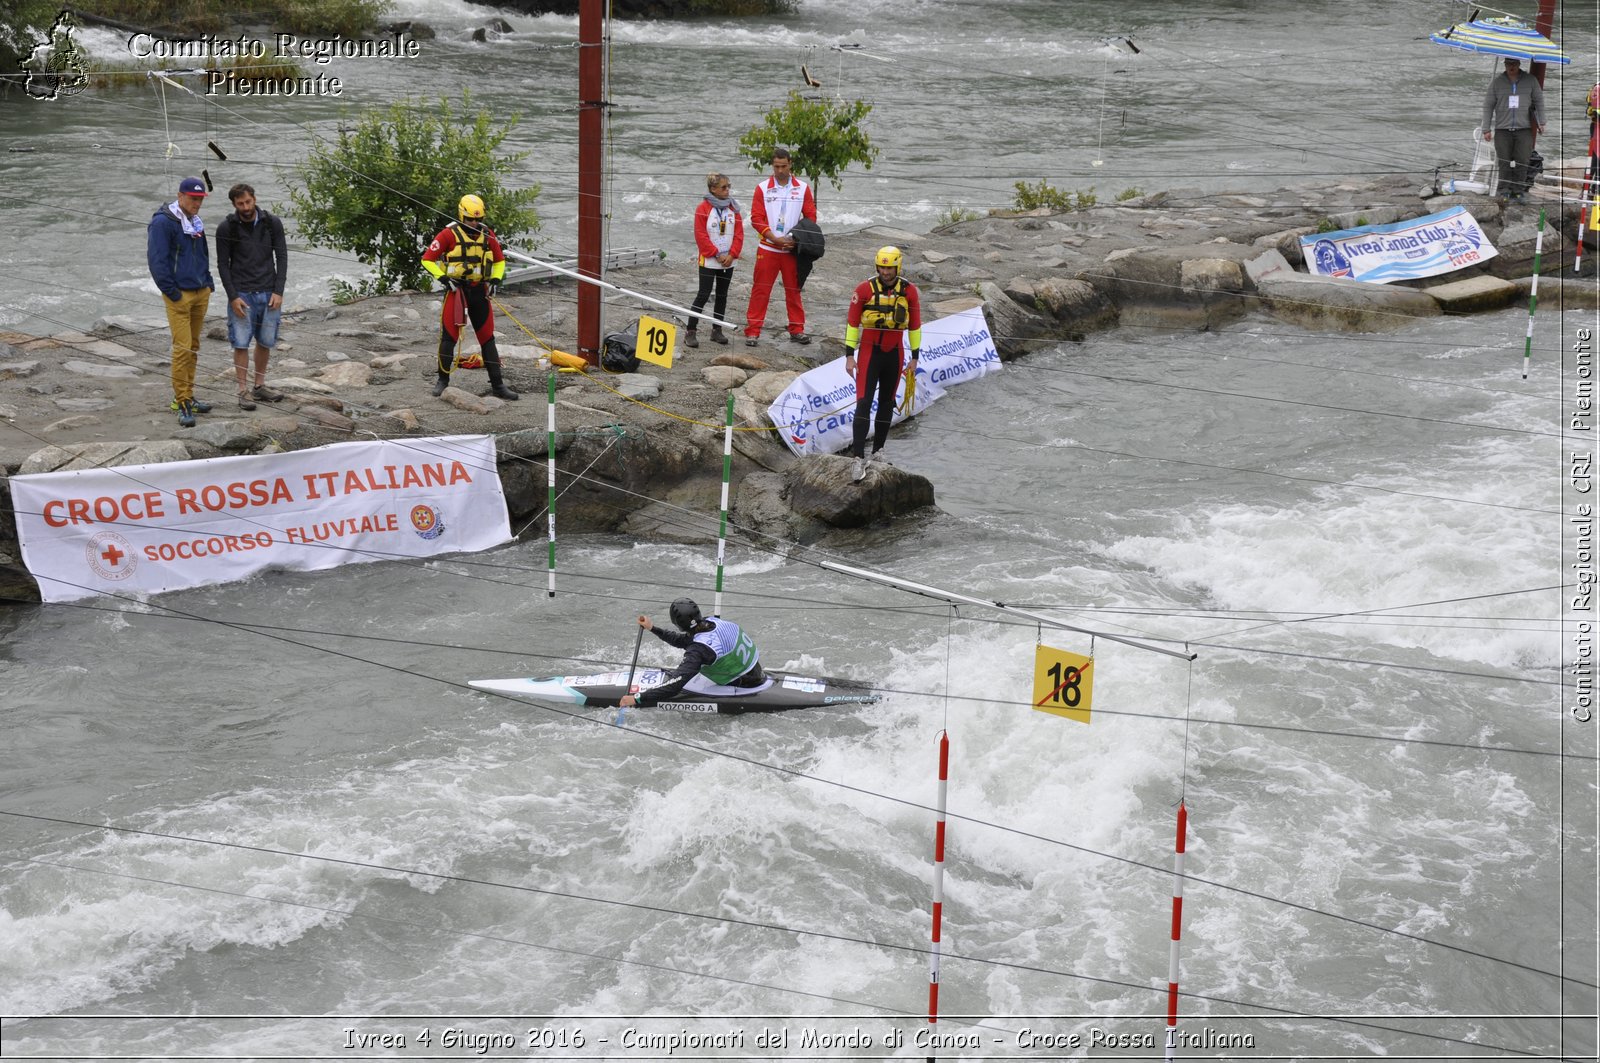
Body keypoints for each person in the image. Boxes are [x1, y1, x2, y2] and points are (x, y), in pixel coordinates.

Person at [420, 194, 518, 400]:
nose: (474, 223)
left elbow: (499, 261)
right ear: (461, 216)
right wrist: (443, 278)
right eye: (470, 219)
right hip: (457, 292)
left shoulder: (488, 234)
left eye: (478, 219)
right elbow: (427, 259)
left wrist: (496, 279)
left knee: (488, 339)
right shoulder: (448, 235)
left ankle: (498, 386)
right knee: (449, 338)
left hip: (479, 292)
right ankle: (442, 381)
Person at [843, 246, 922, 481]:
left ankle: (878, 451)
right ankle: (858, 458)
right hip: (869, 353)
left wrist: (915, 357)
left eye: (889, 267)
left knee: (887, 403)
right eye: (881, 267)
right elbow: (852, 323)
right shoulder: (864, 289)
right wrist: (849, 355)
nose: (885, 272)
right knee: (864, 402)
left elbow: (915, 325)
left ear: (897, 267)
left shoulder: (909, 292)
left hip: (894, 353)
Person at [147, 176, 215, 428]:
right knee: (182, 347)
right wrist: (172, 292)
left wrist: (208, 282)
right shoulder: (163, 222)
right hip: (180, 294)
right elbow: (157, 261)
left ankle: (189, 394)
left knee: (193, 346)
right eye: (193, 198)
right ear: (180, 196)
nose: (197, 203)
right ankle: (182, 401)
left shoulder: (194, 221)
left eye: (200, 199)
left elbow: (204, 252)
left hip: (200, 291)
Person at [215, 183, 288, 410]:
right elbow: (222, 265)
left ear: (254, 199)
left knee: (265, 341)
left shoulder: (271, 223)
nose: (245, 207)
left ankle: (259, 386)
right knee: (240, 343)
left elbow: (282, 257)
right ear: (234, 204)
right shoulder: (226, 228)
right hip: (242, 294)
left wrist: (278, 291)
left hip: (268, 292)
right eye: (240, 204)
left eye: (248, 202)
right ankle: (242, 390)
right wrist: (233, 296)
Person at [616, 598, 765, 708]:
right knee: (690, 669)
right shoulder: (711, 622)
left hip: (742, 684)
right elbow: (684, 641)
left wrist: (637, 698)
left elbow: (674, 686)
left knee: (681, 679)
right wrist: (652, 628)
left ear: (679, 625)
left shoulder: (699, 650)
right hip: (755, 673)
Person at [744, 147, 816, 347]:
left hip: (792, 250)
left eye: (784, 166)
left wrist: (795, 238)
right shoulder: (762, 188)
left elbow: (810, 217)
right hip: (768, 248)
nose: (780, 170)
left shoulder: (802, 188)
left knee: (794, 290)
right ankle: (753, 331)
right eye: (776, 166)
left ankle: (797, 329)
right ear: (772, 165)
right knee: (761, 290)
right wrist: (774, 238)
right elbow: (756, 219)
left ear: (790, 164)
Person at [687, 172, 743, 348]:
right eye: (723, 187)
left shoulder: (733, 208)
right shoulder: (702, 208)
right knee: (703, 294)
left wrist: (732, 254)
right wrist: (716, 254)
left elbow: (739, 234)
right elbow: (700, 235)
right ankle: (691, 331)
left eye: (729, 187)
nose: (728, 190)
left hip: (729, 260)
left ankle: (716, 330)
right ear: (713, 189)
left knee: (722, 295)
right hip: (710, 260)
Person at [1481, 56, 1546, 202]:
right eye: (1508, 64)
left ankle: (1518, 191)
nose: (1511, 67)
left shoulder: (1530, 81)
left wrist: (1542, 122)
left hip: (1524, 128)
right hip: (1502, 129)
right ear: (1504, 65)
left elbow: (1539, 101)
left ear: (1519, 64)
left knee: (1522, 161)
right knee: (1503, 161)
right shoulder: (1497, 83)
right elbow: (1488, 106)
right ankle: (1503, 190)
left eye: (1514, 64)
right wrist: (1486, 129)